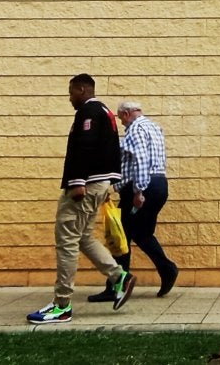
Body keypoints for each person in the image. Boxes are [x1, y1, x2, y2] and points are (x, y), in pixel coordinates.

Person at [27, 74, 136, 324]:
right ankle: (119, 277)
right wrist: (107, 183)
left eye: (71, 92)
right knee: (84, 236)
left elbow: (84, 148)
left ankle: (61, 305)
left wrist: (77, 181)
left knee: (66, 240)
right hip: (98, 184)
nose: (70, 98)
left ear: (82, 89)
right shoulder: (104, 112)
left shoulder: (89, 112)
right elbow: (109, 151)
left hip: (85, 186)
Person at [89, 101, 179, 301]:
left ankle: (116, 287)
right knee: (142, 233)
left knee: (121, 234)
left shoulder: (136, 129)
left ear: (127, 113)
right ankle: (167, 269)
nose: (122, 123)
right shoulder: (154, 127)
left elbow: (140, 160)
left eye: (121, 118)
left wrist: (138, 191)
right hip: (159, 185)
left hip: (141, 188)